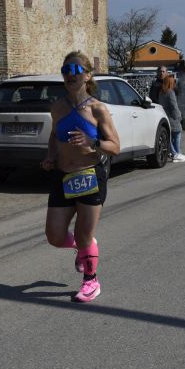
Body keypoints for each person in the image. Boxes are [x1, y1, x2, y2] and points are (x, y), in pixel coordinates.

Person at [41, 51, 120, 303]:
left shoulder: (98, 109)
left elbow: (115, 146)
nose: (69, 75)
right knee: (54, 236)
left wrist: (91, 141)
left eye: (75, 70)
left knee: (84, 234)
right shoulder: (58, 107)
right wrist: (51, 156)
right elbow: (54, 136)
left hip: (90, 175)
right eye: (65, 70)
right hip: (63, 176)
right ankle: (83, 246)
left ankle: (91, 281)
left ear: (87, 76)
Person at [149, 66, 185, 162]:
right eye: (160, 71)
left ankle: (175, 153)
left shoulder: (165, 88)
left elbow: (176, 94)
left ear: (166, 73)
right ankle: (176, 153)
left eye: (163, 71)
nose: (161, 73)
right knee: (175, 135)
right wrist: (178, 116)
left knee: (171, 135)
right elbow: (172, 105)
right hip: (165, 114)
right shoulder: (157, 86)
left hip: (165, 113)